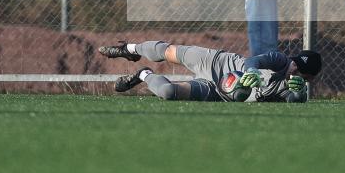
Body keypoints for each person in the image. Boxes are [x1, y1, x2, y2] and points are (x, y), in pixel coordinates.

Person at [98, 40, 321, 103]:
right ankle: (128, 49)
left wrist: (300, 95)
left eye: (299, 70)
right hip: (214, 62)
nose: (293, 67)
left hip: (217, 91)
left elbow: (294, 99)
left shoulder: (288, 88)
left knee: (167, 92)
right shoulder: (280, 60)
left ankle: (142, 75)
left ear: (307, 78)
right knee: (167, 51)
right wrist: (250, 70)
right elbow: (253, 60)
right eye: (295, 62)